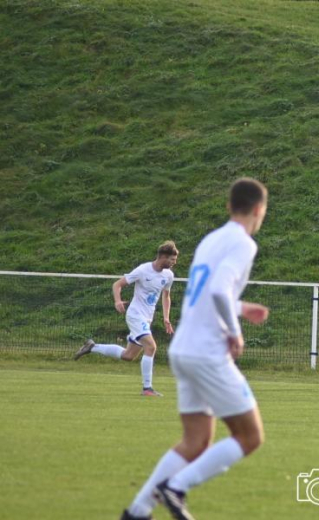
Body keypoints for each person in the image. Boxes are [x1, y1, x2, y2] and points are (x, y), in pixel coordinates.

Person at [120, 178, 270, 520]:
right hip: (206, 350)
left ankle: (137, 512)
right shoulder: (244, 244)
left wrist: (242, 308)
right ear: (259, 210)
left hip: (183, 350)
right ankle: (176, 487)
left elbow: (211, 292)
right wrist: (235, 332)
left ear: (230, 206)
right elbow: (218, 290)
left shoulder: (210, 241)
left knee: (196, 440)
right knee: (250, 436)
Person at [74, 241, 178, 396]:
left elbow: (166, 295)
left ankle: (92, 347)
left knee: (128, 356)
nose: (174, 263)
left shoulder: (168, 275)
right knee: (151, 347)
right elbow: (117, 285)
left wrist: (166, 318)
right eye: (172, 260)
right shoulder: (143, 270)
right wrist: (117, 301)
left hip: (147, 318)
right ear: (163, 257)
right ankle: (147, 389)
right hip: (135, 315)